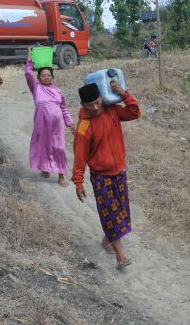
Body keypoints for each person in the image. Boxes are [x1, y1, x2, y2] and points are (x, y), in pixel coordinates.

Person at [71, 82, 141, 270]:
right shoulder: (84, 127)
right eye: (89, 105)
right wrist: (78, 182)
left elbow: (135, 112)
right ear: (82, 105)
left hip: (119, 171)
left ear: (101, 97)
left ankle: (107, 239)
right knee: (110, 214)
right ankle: (121, 255)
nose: (94, 108)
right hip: (101, 177)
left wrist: (124, 93)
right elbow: (79, 158)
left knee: (121, 211)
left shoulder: (112, 111)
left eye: (97, 102)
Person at [24, 47, 75, 185]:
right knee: (43, 146)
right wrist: (29, 57)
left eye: (48, 75)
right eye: (43, 75)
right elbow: (28, 74)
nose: (46, 77)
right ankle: (45, 168)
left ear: (52, 77)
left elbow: (63, 108)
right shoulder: (36, 88)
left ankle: (61, 176)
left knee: (59, 148)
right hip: (41, 123)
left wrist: (70, 123)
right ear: (39, 78)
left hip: (57, 125)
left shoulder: (58, 91)